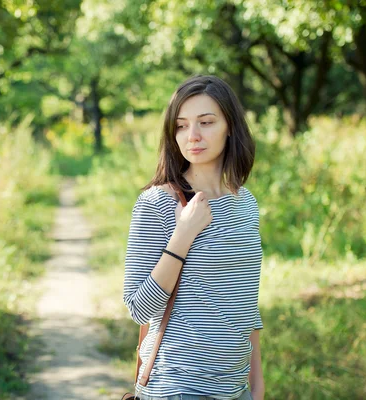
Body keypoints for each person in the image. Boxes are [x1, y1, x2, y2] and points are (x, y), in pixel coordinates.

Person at [123, 75, 264, 400]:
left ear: (230, 126)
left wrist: (257, 385)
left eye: (206, 122)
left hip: (235, 386)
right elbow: (138, 308)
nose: (193, 136)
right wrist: (183, 235)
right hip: (176, 385)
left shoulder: (245, 203)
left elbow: (245, 303)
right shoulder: (157, 204)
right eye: (182, 125)